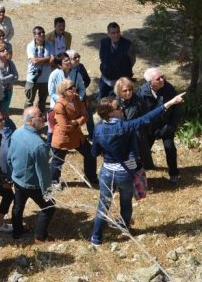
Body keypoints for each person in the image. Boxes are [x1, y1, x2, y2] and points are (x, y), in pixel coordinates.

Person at [90, 93, 185, 245]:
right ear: (110, 112)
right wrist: (171, 102)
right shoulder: (126, 126)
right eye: (118, 107)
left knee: (103, 205)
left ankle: (96, 238)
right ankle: (125, 229)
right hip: (125, 173)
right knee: (126, 203)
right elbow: (148, 117)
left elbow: (94, 152)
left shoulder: (98, 129)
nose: (122, 109)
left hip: (107, 172)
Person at [7, 106, 56, 242]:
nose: (43, 117)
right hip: (33, 184)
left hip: (17, 179)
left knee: (18, 206)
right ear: (30, 121)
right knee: (49, 208)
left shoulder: (16, 133)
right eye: (39, 115)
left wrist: (13, 175)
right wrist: (47, 193)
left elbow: (9, 158)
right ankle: (40, 236)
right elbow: (44, 173)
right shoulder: (39, 145)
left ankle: (17, 232)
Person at [136, 68, 184, 183]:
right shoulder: (141, 93)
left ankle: (174, 174)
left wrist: (171, 126)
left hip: (166, 126)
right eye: (158, 78)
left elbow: (177, 110)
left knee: (170, 148)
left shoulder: (169, 89)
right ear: (150, 82)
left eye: (163, 76)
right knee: (143, 152)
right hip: (149, 128)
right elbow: (139, 114)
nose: (163, 80)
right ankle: (139, 178)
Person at [50, 78, 97, 189]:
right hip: (63, 138)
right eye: (70, 87)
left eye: (74, 86)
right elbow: (65, 127)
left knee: (90, 154)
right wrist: (79, 120)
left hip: (77, 136)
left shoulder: (76, 99)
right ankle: (54, 181)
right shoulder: (59, 106)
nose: (74, 88)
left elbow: (85, 116)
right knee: (58, 161)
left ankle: (91, 177)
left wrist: (74, 122)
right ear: (64, 91)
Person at [47, 53, 88, 144]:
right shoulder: (54, 75)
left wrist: (78, 99)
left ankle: (75, 143)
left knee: (74, 127)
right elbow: (51, 92)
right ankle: (50, 147)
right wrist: (64, 102)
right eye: (66, 61)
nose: (69, 62)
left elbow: (82, 88)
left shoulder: (76, 73)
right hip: (57, 107)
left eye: (69, 59)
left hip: (73, 107)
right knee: (54, 129)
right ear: (59, 65)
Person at [99, 22, 136, 100]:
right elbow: (101, 57)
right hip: (105, 79)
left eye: (118, 32)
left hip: (120, 81)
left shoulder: (128, 44)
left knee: (116, 103)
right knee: (101, 100)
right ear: (108, 34)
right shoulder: (103, 43)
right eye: (113, 33)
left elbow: (132, 60)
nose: (116, 35)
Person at [24, 26, 54, 114]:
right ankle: (26, 116)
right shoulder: (30, 46)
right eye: (39, 33)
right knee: (29, 100)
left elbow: (52, 61)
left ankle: (40, 116)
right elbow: (34, 61)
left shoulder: (49, 45)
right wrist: (47, 59)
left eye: (43, 32)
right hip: (32, 78)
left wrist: (40, 60)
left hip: (45, 78)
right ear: (34, 35)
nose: (42, 34)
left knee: (42, 101)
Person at [0, 46, 18, 115]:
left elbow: (17, 76)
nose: (6, 51)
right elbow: (1, 80)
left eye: (6, 49)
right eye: (3, 51)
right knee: (0, 110)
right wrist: (11, 76)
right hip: (1, 91)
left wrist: (9, 78)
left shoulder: (10, 63)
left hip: (9, 90)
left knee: (6, 108)